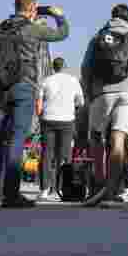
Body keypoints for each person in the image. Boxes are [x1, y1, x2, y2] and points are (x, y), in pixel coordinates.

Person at [0, 0, 69, 208]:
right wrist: (59, 16)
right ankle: (10, 195)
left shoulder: (0, 28)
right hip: (23, 88)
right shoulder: (33, 29)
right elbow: (62, 33)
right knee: (16, 140)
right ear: (33, 7)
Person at [81, 4, 128, 207]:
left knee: (97, 140)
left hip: (102, 95)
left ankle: (98, 184)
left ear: (112, 17)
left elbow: (85, 69)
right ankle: (111, 191)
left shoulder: (98, 38)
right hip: (126, 94)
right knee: (118, 141)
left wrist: (90, 94)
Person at [37, 57, 84, 200]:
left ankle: (45, 189)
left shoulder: (46, 81)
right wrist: (73, 109)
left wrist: (40, 116)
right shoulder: (73, 80)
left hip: (48, 119)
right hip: (67, 120)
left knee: (47, 154)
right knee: (64, 156)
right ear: (65, 67)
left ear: (53, 67)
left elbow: (38, 102)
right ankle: (64, 188)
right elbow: (80, 102)